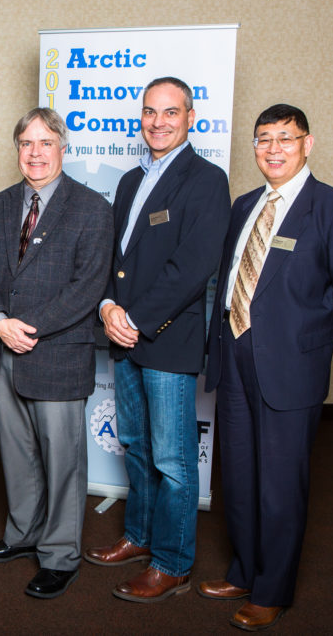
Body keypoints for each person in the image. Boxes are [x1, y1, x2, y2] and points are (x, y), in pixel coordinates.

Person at [200, 104, 333, 631]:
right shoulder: (245, 205)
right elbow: (234, 280)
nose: (273, 148)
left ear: (308, 143)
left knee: (280, 482)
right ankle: (244, 570)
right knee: (238, 474)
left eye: (285, 138)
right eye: (263, 139)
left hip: (289, 367)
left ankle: (272, 589)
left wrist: (306, 340)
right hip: (234, 356)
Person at [83, 77, 230, 602]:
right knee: (139, 449)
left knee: (172, 460)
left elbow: (193, 267)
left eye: (170, 112)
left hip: (166, 339)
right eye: (150, 112)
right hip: (123, 334)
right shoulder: (129, 181)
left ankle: (173, 563)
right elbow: (112, 258)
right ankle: (141, 537)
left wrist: (137, 319)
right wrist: (106, 307)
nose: (158, 122)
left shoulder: (207, 180)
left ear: (191, 117)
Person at [0, 108, 112, 599]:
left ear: (63, 148)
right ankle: (22, 535)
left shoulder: (91, 208)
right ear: (17, 150)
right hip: (2, 349)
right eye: (26, 143)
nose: (35, 153)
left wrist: (27, 328)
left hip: (54, 352)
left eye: (45, 143)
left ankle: (60, 555)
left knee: (62, 461)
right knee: (16, 455)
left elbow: (87, 287)